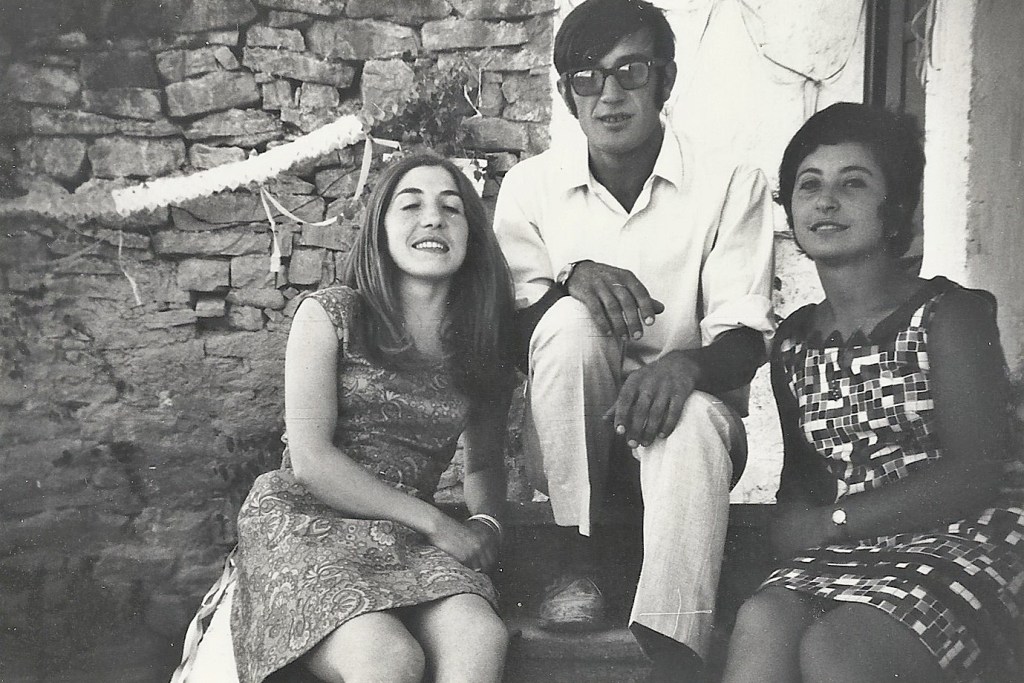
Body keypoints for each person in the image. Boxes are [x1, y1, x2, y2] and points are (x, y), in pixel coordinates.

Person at [492, 0, 775, 679]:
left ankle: (675, 650)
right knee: (568, 321)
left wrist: (683, 367)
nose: (610, 94)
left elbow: (745, 336)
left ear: (665, 80)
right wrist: (571, 280)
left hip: (689, 439)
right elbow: (510, 333)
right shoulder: (530, 188)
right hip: (568, 440)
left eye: (631, 71)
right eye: (587, 77)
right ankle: (578, 560)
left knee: (691, 416)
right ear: (567, 93)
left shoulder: (729, 183)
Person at [177, 153, 517, 683]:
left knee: (479, 637)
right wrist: (439, 525)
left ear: (472, 234)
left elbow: (484, 466)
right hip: (309, 522)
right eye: (411, 206)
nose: (433, 219)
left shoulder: (481, 346)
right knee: (387, 659)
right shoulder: (332, 314)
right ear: (380, 230)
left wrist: (486, 522)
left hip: (406, 539)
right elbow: (312, 461)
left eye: (452, 208)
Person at [721, 102, 1024, 683]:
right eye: (809, 185)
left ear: (896, 208)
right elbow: (804, 481)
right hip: (855, 546)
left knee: (838, 649)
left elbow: (974, 474)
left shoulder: (948, 315)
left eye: (853, 183)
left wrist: (831, 522)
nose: (826, 201)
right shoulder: (795, 341)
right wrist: (795, 523)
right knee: (762, 621)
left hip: (966, 537)